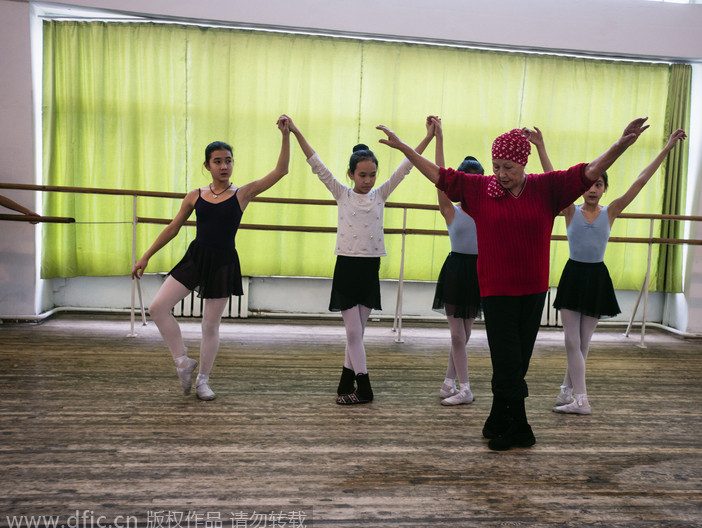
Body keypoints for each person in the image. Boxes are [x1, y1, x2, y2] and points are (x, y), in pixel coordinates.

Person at [377, 117, 650, 450]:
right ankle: (521, 427)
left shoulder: (546, 188)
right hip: (496, 291)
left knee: (516, 362)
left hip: (533, 291)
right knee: (506, 360)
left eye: (507, 167)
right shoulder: (480, 190)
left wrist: (621, 144)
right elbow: (439, 175)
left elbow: (589, 172)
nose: (501, 174)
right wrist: (405, 146)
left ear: (523, 162)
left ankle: (497, 416)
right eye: (496, 166)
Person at [132, 115, 292, 401]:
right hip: (195, 258)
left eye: (228, 160)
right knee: (158, 307)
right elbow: (173, 227)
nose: (224, 166)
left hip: (222, 263)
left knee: (210, 325)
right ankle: (182, 361)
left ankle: (203, 380)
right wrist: (146, 255)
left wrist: (285, 135)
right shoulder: (195, 195)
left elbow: (281, 171)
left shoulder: (242, 193)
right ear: (207, 165)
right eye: (217, 161)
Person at [286, 116, 437, 405]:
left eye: (372, 174)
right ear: (351, 174)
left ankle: (346, 381)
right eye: (362, 175)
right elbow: (315, 162)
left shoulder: (381, 195)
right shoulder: (341, 193)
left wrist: (428, 136)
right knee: (354, 332)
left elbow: (408, 166)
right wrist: (295, 131)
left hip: (370, 267)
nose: (368, 181)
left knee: (357, 334)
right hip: (347, 266)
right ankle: (364, 388)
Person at [552, 128, 687, 415]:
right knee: (572, 340)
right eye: (590, 184)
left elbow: (641, 180)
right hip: (573, 275)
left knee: (582, 342)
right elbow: (553, 183)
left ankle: (580, 399)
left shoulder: (610, 211)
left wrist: (667, 147)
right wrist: (540, 146)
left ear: (604, 189)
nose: (592, 189)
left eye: (599, 185)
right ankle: (568, 391)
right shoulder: (570, 210)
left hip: (596, 277)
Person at [432, 122, 554, 407]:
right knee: (456, 334)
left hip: (484, 272)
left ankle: (450, 380)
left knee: (465, 335)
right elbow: (440, 176)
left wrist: (540, 147)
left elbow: (550, 190)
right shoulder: (451, 209)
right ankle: (464, 386)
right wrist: (439, 138)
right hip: (457, 271)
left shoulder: (489, 203)